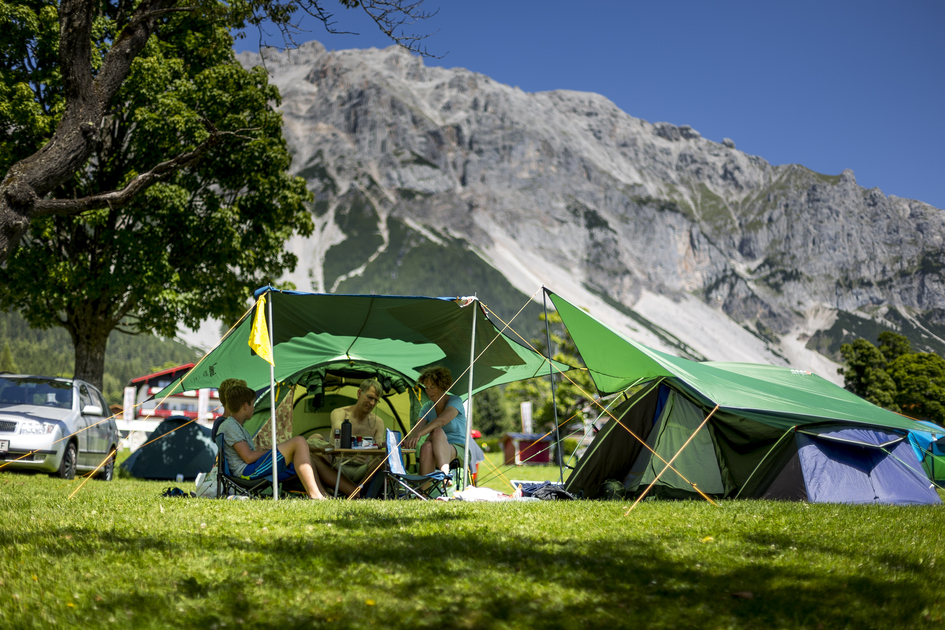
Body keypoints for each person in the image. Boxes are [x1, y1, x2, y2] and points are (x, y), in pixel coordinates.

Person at [218, 384, 328, 500]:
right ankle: (315, 495)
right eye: (252, 404)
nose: (254, 408)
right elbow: (248, 457)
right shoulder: (230, 426)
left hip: (250, 469)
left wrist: (276, 451)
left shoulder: (237, 427)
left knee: (308, 458)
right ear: (245, 405)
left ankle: (323, 493)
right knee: (298, 441)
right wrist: (274, 451)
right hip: (246, 473)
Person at [403, 367, 466, 483]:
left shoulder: (455, 401)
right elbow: (415, 431)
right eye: (426, 388)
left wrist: (420, 434)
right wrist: (402, 442)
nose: (429, 392)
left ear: (442, 386)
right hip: (434, 449)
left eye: (432, 387)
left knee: (437, 430)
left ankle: (444, 474)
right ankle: (423, 491)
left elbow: (441, 421)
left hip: (458, 448)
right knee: (426, 446)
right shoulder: (427, 407)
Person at [327, 379, 387, 494]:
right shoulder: (339, 413)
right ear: (359, 393)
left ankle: (357, 491)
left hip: (362, 469)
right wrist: (368, 443)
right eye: (370, 397)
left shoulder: (378, 422)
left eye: (376, 400)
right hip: (337, 466)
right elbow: (338, 433)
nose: (372, 403)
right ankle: (336, 489)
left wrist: (385, 445)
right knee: (314, 439)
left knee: (387, 458)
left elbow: (379, 448)